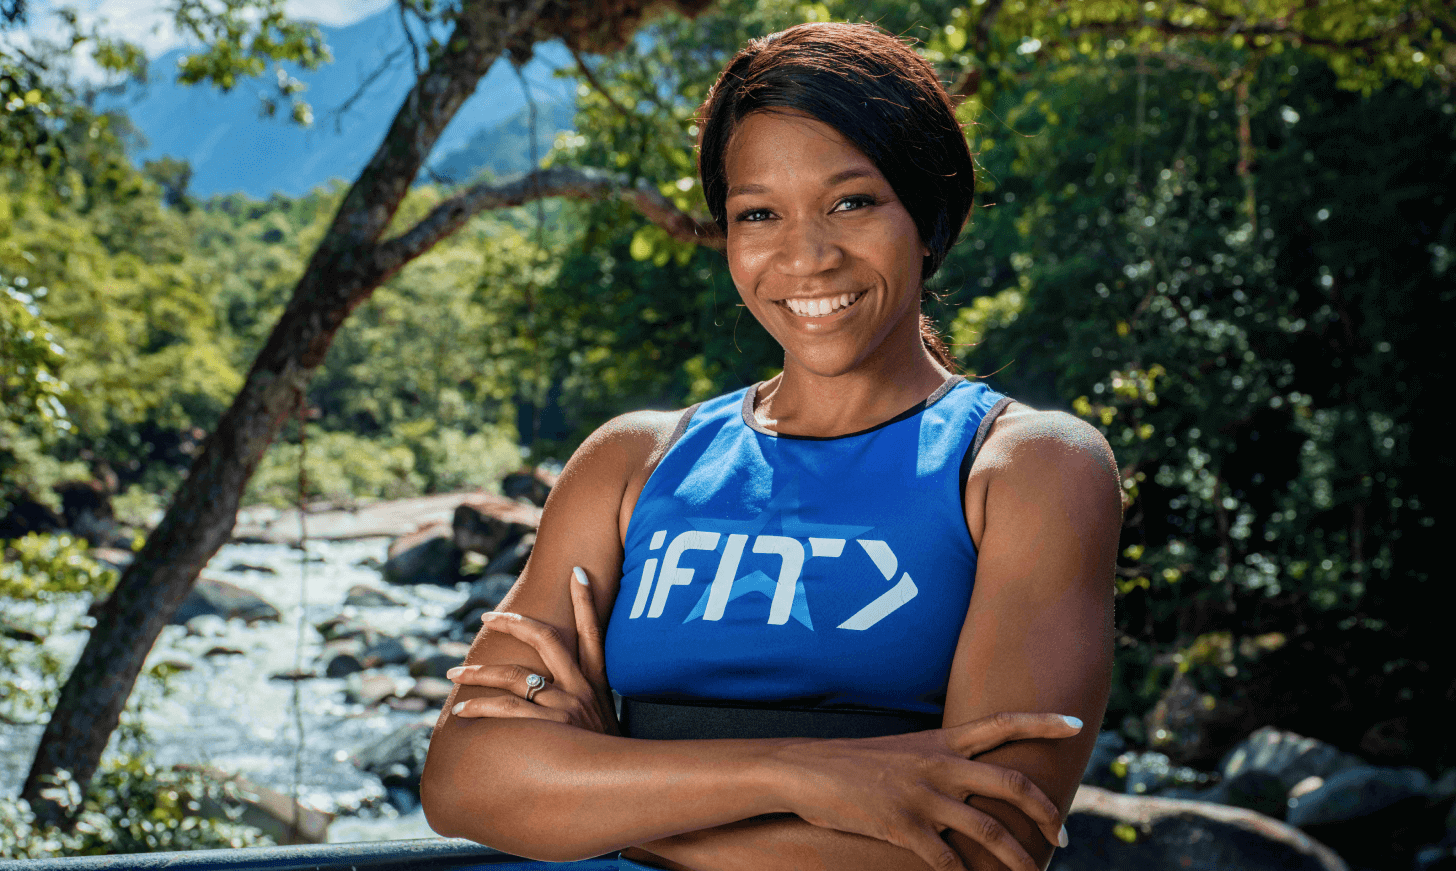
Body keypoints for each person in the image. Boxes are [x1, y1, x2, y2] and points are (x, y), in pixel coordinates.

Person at [421, 21, 1121, 871]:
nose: (807, 256)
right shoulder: (630, 463)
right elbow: (466, 783)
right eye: (759, 213)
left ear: (929, 217)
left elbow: (982, 849)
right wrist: (801, 773)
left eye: (852, 202)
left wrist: (600, 789)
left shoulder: (1028, 468)